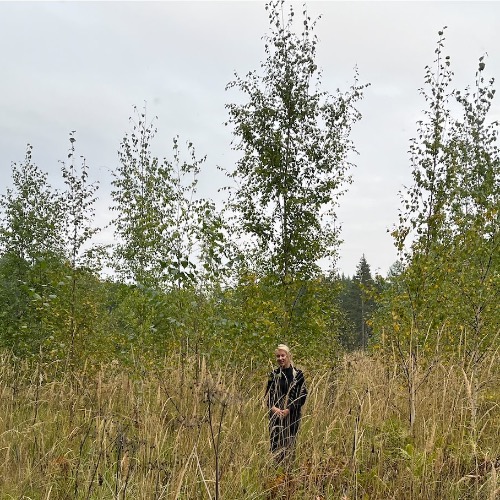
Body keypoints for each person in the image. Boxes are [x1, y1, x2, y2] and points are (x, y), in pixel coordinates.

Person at [265, 344, 307, 466]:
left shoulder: (297, 375)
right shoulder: (273, 374)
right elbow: (268, 396)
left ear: (288, 356)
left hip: (292, 417)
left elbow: (302, 396)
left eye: (283, 355)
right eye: (278, 356)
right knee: (275, 445)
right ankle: (275, 471)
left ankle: (288, 472)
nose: (280, 358)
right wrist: (273, 408)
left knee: (289, 445)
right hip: (275, 417)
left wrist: (289, 409)